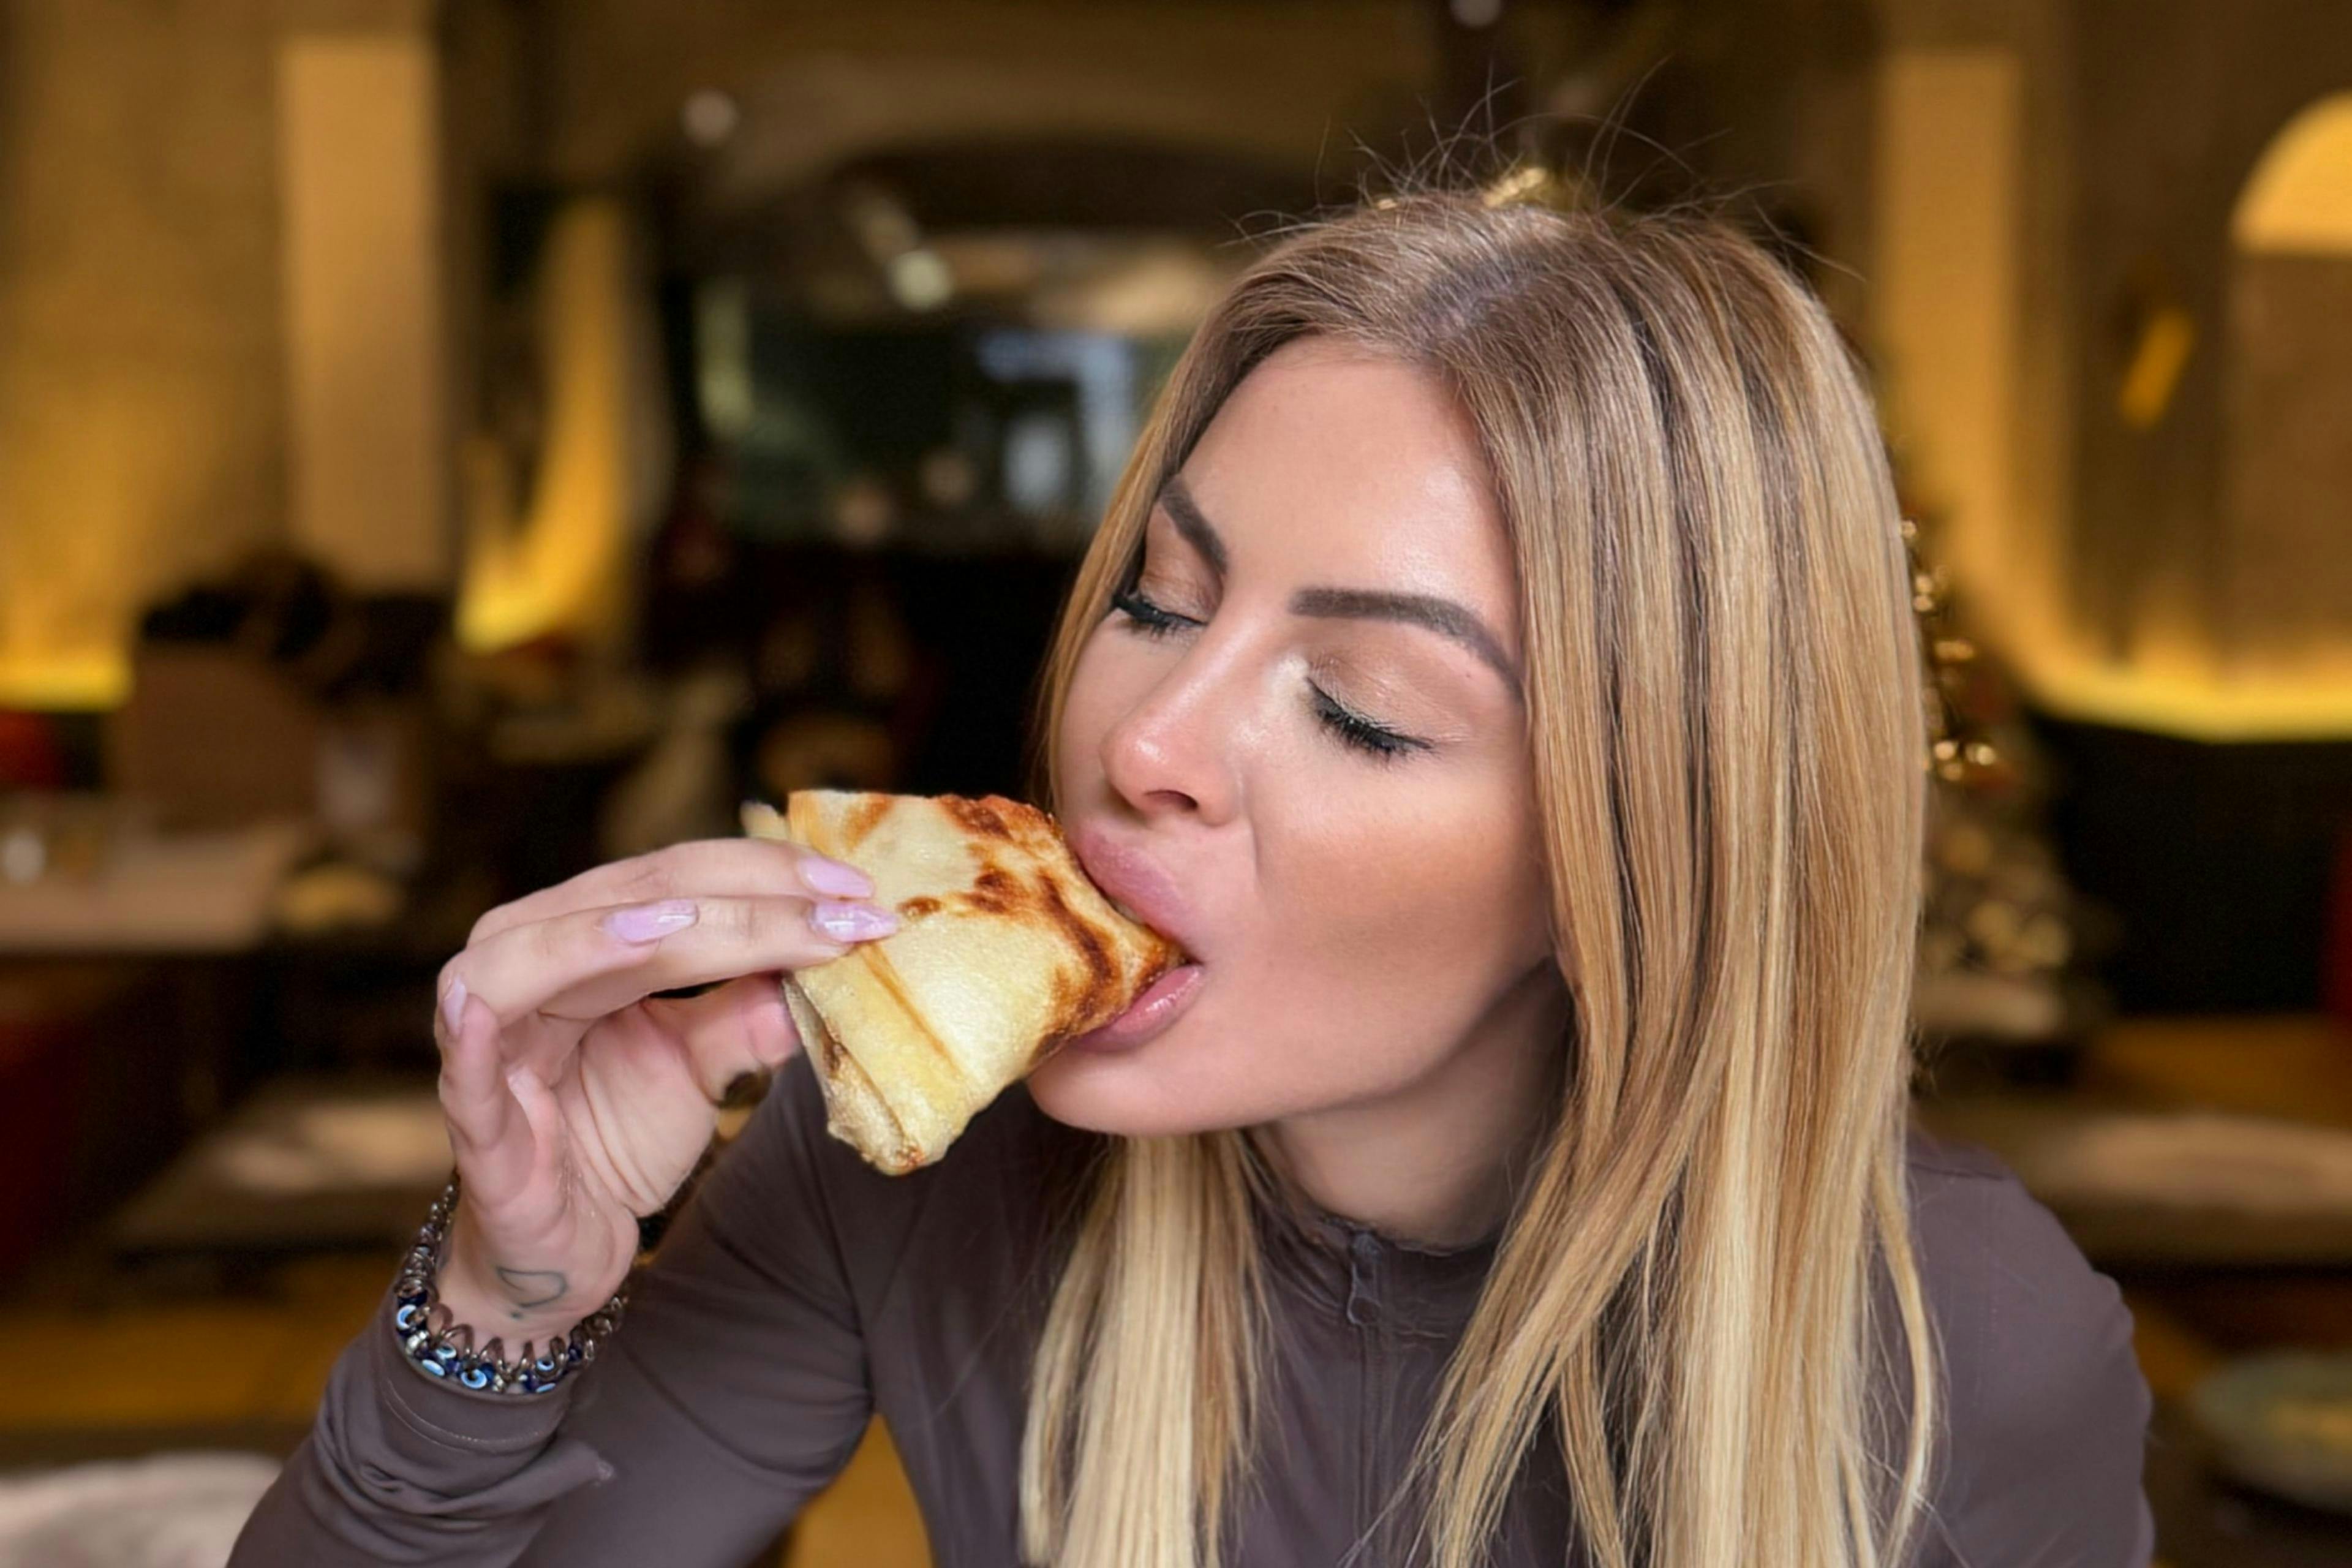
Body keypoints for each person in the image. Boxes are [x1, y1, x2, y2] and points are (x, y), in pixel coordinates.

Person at [228, 183, 2154, 1568]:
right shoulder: (897, 1161)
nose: (1137, 737)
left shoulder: (1970, 1346)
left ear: (1641, 856)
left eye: (1371, 709)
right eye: (1159, 598)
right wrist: (505, 1294)